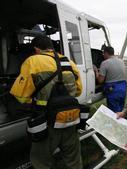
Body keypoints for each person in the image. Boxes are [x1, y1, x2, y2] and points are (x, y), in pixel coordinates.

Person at [10, 35, 83, 169]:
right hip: (70, 119)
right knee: (74, 160)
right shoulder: (69, 62)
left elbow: (20, 95)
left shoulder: (32, 61)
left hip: (46, 122)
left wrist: (30, 99)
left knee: (41, 162)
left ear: (37, 49)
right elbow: (78, 91)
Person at [94, 46, 127, 112]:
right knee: (120, 109)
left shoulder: (104, 63)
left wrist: (96, 72)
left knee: (114, 112)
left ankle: (116, 122)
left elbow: (100, 80)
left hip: (113, 90)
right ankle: (122, 121)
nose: (103, 55)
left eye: (103, 53)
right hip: (123, 88)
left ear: (106, 53)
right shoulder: (121, 61)